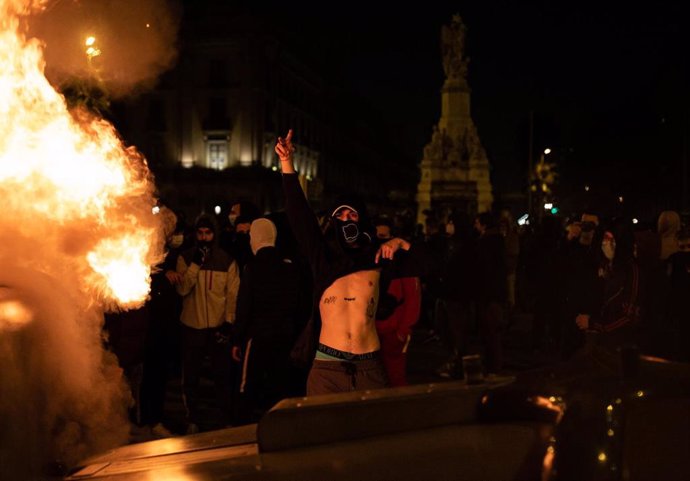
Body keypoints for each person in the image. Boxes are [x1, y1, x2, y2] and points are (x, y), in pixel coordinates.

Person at [275, 129, 427, 395]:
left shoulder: (377, 255)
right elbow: (299, 213)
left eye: (351, 214)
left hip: (369, 366)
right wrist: (287, 164)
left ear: (361, 219)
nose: (346, 219)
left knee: (369, 435)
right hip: (327, 368)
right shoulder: (321, 255)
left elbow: (432, 267)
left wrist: (402, 243)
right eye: (339, 214)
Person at [231, 218, 304, 423]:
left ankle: (241, 428)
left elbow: (244, 306)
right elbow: (296, 302)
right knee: (279, 385)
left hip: (258, 335)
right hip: (284, 335)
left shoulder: (252, 268)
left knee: (248, 386)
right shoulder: (289, 267)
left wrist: (237, 338)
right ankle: (280, 427)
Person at [176, 214, 240, 433]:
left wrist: (228, 323)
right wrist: (195, 264)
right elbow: (183, 289)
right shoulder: (185, 258)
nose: (204, 238)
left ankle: (225, 417)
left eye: (208, 233)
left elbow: (232, 296)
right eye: (200, 233)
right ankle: (192, 417)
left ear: (215, 234)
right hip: (192, 326)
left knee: (222, 376)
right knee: (191, 376)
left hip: (216, 327)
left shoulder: (227, 261)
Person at [373, 218, 422, 386]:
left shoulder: (403, 261)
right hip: (371, 331)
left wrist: (403, 331)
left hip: (393, 330)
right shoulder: (370, 258)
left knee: (395, 377)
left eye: (384, 237)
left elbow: (413, 298)